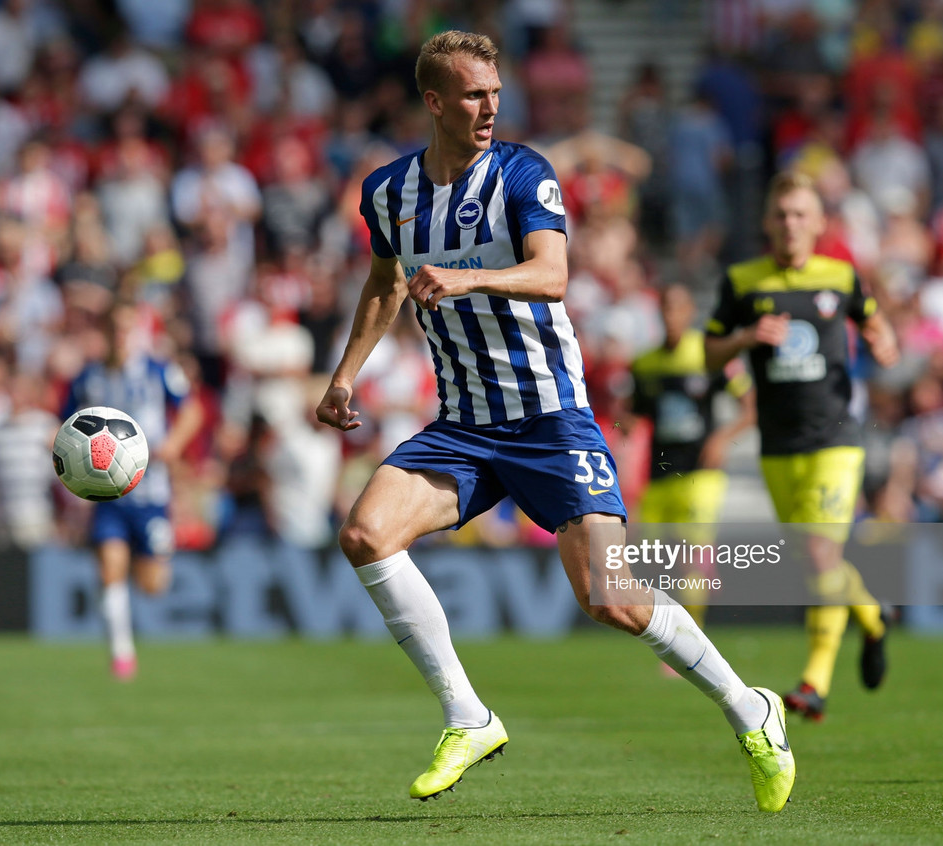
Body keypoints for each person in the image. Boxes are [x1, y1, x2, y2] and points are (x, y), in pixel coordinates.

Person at [316, 31, 794, 812]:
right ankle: (467, 716)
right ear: (434, 101)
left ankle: (752, 709)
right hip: (466, 424)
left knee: (612, 598)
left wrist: (467, 278)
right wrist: (344, 376)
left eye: (496, 93)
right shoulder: (388, 192)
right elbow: (383, 283)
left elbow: (554, 274)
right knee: (365, 533)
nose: (489, 107)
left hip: (548, 418)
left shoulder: (522, 173)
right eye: (473, 95)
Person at [704, 170, 901, 722]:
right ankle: (872, 614)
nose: (790, 224)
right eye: (781, 214)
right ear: (768, 222)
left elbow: (876, 323)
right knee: (818, 563)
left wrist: (886, 342)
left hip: (836, 441)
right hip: (778, 446)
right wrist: (745, 338)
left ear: (818, 222)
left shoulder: (840, 276)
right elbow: (709, 355)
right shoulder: (743, 281)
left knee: (820, 555)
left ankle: (814, 682)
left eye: (800, 214)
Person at [63, 302, 203, 680]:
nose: (121, 336)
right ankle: (121, 653)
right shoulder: (88, 377)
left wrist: (173, 444)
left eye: (128, 329)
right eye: (115, 329)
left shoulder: (159, 371)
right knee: (110, 568)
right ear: (104, 332)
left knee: (153, 584)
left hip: (152, 492)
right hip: (107, 493)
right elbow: (65, 425)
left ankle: (127, 630)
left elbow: (192, 411)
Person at [628, 283, 755, 628]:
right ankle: (667, 631)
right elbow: (635, 416)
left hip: (701, 472)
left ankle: (691, 633)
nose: (671, 316)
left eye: (677, 308)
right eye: (665, 308)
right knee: (653, 560)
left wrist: (721, 438)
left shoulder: (710, 356)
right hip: (661, 472)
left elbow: (750, 408)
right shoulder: (644, 363)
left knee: (690, 554)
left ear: (688, 313)